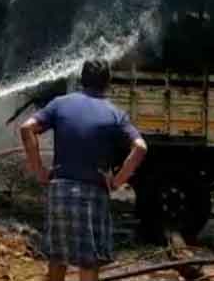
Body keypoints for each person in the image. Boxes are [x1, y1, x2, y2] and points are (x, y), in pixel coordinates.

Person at [21, 59, 148, 281]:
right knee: (89, 262)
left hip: (60, 190)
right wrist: (117, 182)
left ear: (81, 79)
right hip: (93, 194)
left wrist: (39, 170)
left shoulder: (60, 104)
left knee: (57, 259)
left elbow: (27, 128)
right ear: (107, 83)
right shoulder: (115, 113)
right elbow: (140, 147)